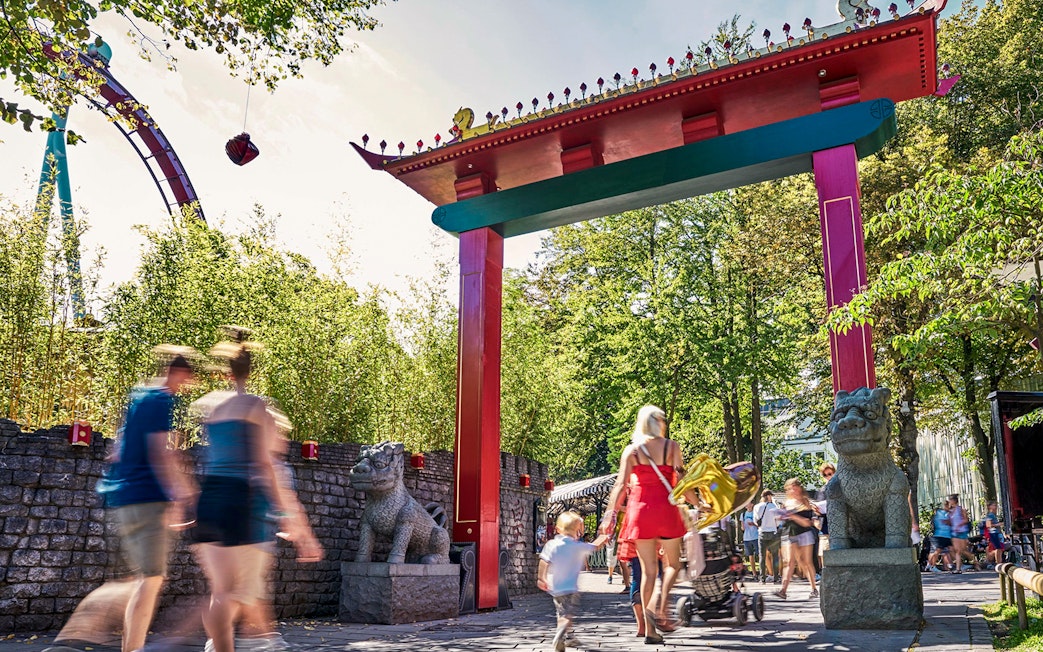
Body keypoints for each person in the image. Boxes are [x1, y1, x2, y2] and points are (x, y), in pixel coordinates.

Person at [191, 341, 322, 652]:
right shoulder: (255, 406)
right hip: (241, 500)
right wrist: (293, 521)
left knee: (220, 590)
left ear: (225, 372)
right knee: (240, 593)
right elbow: (265, 464)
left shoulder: (209, 406)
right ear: (250, 372)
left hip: (209, 499)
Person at [101, 351, 197, 652]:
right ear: (176, 373)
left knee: (142, 578)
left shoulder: (138, 396)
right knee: (152, 579)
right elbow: (160, 452)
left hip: (122, 496)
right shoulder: (161, 401)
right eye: (185, 378)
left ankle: (130, 646)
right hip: (147, 498)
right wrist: (181, 493)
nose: (185, 385)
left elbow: (117, 449)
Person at [601, 405, 687, 645]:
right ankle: (661, 605)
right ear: (659, 423)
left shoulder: (632, 451)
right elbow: (681, 480)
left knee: (648, 571)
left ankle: (650, 630)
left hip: (640, 513)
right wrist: (699, 503)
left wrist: (609, 515)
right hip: (666, 510)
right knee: (673, 565)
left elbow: (620, 485)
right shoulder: (672, 447)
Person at [538, 511, 608, 651]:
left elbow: (544, 561)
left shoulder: (552, 545)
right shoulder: (578, 546)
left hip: (556, 588)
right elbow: (595, 546)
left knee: (561, 612)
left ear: (558, 529)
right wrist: (604, 536)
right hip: (571, 588)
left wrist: (541, 578)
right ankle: (561, 632)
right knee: (567, 614)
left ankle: (569, 637)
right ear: (578, 531)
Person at [774, 478, 819, 600]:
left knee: (806, 562)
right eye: (789, 488)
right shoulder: (786, 503)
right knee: (788, 562)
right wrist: (780, 516)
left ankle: (813, 588)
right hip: (789, 534)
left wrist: (792, 516)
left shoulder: (806, 502)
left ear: (799, 487)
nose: (791, 490)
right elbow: (780, 519)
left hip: (804, 534)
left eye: (793, 487)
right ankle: (783, 590)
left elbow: (807, 523)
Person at [753, 490, 781, 583]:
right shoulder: (774, 507)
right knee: (775, 556)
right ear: (768, 496)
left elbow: (755, 521)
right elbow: (778, 522)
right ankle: (776, 577)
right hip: (773, 533)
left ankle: (762, 578)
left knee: (762, 556)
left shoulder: (757, 507)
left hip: (762, 533)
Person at [947, 494, 978, 572]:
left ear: (954, 501)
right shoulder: (950, 511)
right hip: (954, 533)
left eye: (950, 500)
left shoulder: (961, 509)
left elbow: (965, 520)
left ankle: (975, 562)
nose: (949, 502)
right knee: (957, 550)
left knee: (964, 550)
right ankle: (958, 568)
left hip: (962, 531)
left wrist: (959, 525)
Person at [927, 500, 954, 572]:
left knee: (948, 551)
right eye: (949, 506)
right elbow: (946, 522)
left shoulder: (946, 513)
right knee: (937, 551)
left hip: (947, 536)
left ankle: (950, 565)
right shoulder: (941, 513)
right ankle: (931, 565)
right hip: (941, 535)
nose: (950, 508)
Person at [983, 501, 1004, 568]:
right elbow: (988, 525)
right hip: (993, 533)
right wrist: (999, 524)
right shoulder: (990, 515)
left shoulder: (993, 515)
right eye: (994, 505)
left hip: (996, 533)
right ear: (990, 507)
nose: (996, 507)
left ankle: (998, 562)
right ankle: (998, 563)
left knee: (1000, 548)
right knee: (998, 548)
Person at [741, 506, 759, 578]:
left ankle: (763, 572)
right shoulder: (743, 514)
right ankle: (754, 573)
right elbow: (742, 527)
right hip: (747, 538)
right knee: (750, 555)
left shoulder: (755, 513)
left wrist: (753, 524)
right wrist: (743, 527)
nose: (748, 505)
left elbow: (760, 525)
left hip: (756, 536)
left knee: (760, 555)